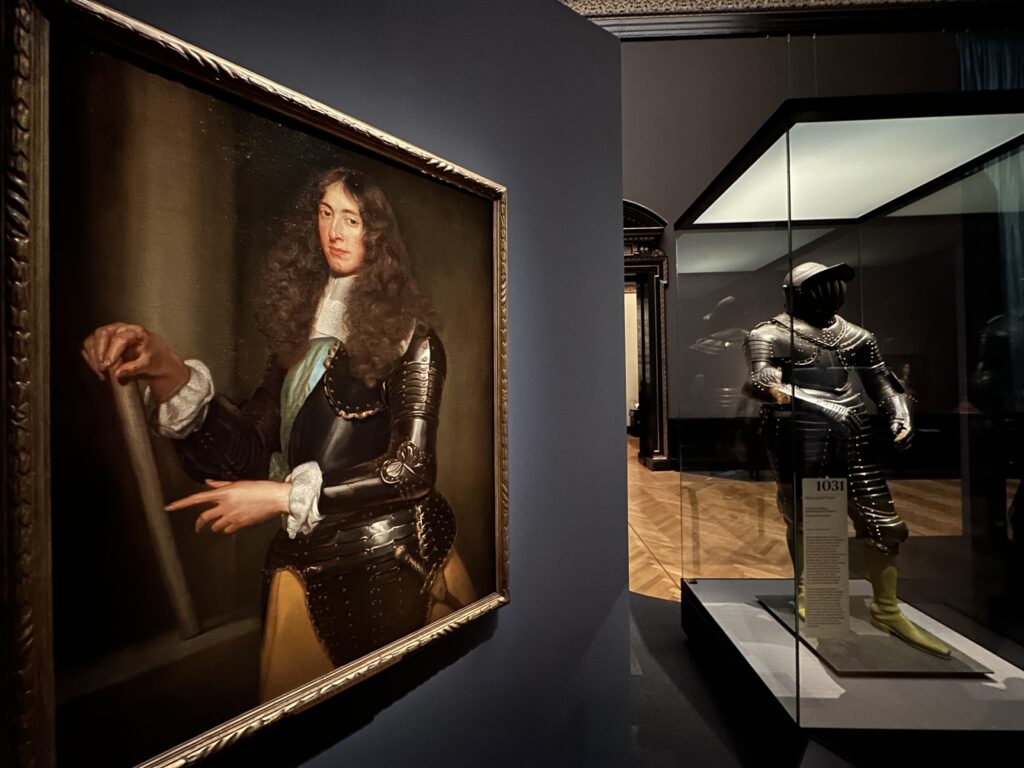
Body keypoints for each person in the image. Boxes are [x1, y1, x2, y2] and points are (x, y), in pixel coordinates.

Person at [82, 167, 475, 701]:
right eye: (326, 214)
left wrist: (282, 496)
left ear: (376, 233)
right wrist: (166, 370)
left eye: (352, 219)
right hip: (306, 570)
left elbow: (411, 469)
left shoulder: (414, 341)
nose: (335, 232)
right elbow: (245, 451)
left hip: (398, 565)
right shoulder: (300, 342)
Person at [745, 261, 950, 658]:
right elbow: (762, 383)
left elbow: (883, 382)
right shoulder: (769, 334)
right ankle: (809, 588)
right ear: (796, 294)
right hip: (798, 433)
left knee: (884, 523)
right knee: (807, 517)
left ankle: (886, 608)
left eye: (833, 284)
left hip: (852, 432)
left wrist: (900, 412)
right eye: (819, 285)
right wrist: (823, 406)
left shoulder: (856, 335)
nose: (830, 291)